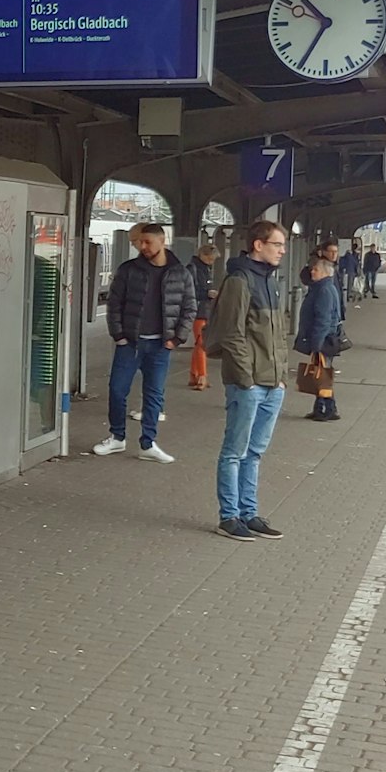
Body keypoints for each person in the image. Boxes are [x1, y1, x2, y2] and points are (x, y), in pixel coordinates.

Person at [204, 219, 290, 542]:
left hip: (272, 383)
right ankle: (229, 516)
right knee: (234, 451)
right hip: (249, 384)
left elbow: (279, 333)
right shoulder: (240, 281)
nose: (282, 250)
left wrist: (282, 377)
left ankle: (249, 513)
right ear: (258, 245)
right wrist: (247, 379)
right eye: (277, 244)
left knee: (254, 452)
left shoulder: (271, 281)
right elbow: (232, 333)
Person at [93, 223, 194, 463]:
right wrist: (118, 335)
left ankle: (148, 443)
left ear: (162, 240)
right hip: (130, 343)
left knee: (154, 395)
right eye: (140, 242)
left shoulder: (180, 272)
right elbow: (114, 303)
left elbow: (189, 308)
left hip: (160, 345)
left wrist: (177, 338)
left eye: (147, 242)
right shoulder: (129, 270)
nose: (142, 247)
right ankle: (117, 437)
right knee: (117, 390)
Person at [297, 256, 345, 421]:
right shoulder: (323, 287)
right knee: (322, 374)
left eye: (315, 269)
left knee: (322, 374)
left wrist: (316, 344)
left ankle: (326, 409)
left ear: (324, 272)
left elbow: (323, 319)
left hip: (323, 339)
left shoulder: (323, 290)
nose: (312, 271)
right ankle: (324, 408)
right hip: (325, 338)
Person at [186, 244, 217, 391]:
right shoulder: (193, 269)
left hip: (204, 310)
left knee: (199, 343)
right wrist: (207, 293)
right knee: (201, 344)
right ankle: (202, 377)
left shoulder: (204, 268)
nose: (212, 262)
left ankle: (194, 375)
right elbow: (190, 291)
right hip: (198, 310)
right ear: (202, 255)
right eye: (210, 258)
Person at [340, 239, 363, 304]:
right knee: (349, 285)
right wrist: (358, 272)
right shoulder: (352, 256)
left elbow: (341, 264)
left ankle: (345, 296)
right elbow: (356, 264)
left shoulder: (344, 257)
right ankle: (347, 297)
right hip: (351, 272)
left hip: (345, 272)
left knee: (344, 285)